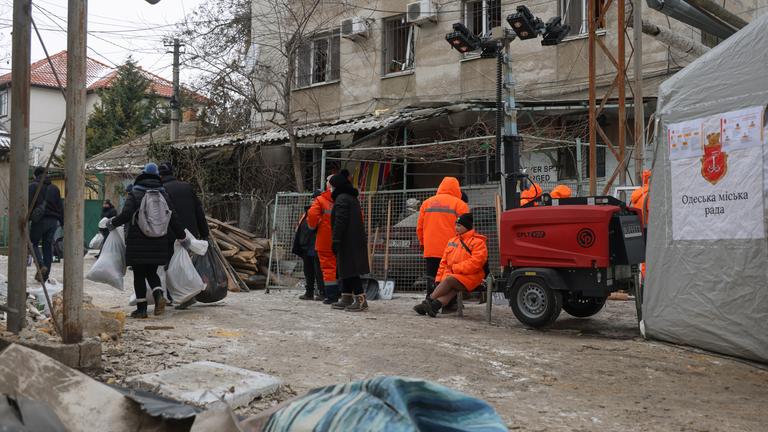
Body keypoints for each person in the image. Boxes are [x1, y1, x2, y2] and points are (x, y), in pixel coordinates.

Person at [108, 163, 189, 319]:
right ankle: (159, 295)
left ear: (143, 174)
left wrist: (112, 223)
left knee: (139, 275)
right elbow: (173, 218)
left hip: (138, 241)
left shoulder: (135, 193)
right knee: (152, 272)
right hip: (159, 241)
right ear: (157, 176)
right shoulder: (163, 194)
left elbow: (125, 215)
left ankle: (142, 310)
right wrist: (182, 236)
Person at [414, 213, 488, 318]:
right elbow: (443, 263)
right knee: (452, 288)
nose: (456, 228)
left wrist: (455, 268)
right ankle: (434, 306)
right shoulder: (452, 241)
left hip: (473, 276)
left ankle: (428, 301)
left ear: (467, 227)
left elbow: (476, 263)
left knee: (450, 280)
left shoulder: (478, 242)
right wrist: (439, 279)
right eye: (456, 225)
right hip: (457, 276)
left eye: (459, 225)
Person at [159, 162, 210, 309]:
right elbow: (198, 211)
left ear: (160, 175)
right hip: (190, 233)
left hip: (171, 234)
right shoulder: (186, 187)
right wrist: (204, 232)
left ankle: (179, 296)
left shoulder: (162, 190)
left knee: (171, 266)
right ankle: (187, 294)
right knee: (186, 264)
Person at [416, 177, 469, 311]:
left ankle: (429, 299)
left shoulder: (426, 203)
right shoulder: (460, 204)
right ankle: (449, 305)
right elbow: (466, 229)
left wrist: (423, 244)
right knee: (449, 278)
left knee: (432, 276)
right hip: (452, 249)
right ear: (457, 189)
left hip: (431, 248)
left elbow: (419, 228)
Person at [329, 170, 370, 312]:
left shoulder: (341, 199)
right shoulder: (350, 197)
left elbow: (340, 220)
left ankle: (361, 299)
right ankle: (346, 297)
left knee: (350, 270)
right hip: (352, 239)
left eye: (331, 186)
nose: (330, 188)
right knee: (345, 269)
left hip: (347, 240)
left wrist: (336, 238)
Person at [28, 167, 64, 282]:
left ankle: (40, 265)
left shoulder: (33, 186)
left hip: (40, 220)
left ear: (35, 175)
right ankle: (45, 275)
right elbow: (60, 206)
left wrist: (26, 219)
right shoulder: (55, 188)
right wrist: (62, 222)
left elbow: (27, 204)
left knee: (32, 243)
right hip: (53, 221)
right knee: (47, 246)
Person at [308, 177, 339, 305]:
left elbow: (312, 215)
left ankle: (331, 295)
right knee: (343, 267)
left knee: (328, 268)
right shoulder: (346, 199)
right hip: (342, 240)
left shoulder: (320, 200)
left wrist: (314, 226)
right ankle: (346, 293)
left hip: (325, 240)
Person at [292, 199, 324, 301]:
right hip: (307, 246)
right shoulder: (307, 212)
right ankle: (310, 292)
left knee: (318, 271)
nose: (313, 201)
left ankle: (322, 292)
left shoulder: (318, 212)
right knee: (309, 271)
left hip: (315, 246)